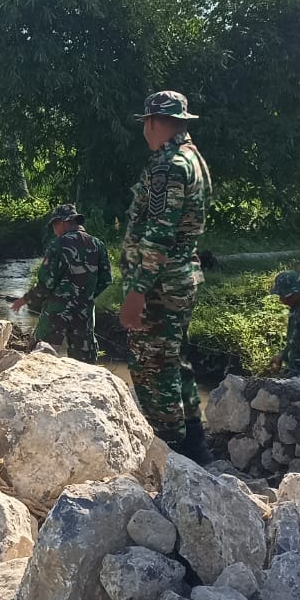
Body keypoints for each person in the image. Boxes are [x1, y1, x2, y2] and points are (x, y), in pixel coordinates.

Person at [119, 90, 212, 459]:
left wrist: (136, 292)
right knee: (174, 361)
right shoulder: (194, 158)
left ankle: (167, 453)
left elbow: (159, 233)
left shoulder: (169, 165)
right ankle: (195, 445)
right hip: (180, 278)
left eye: (146, 123)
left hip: (160, 284)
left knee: (152, 368)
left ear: (154, 122)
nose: (145, 130)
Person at [12, 202, 112, 362]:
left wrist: (25, 299)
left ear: (63, 222)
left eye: (54, 225)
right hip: (84, 313)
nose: (54, 229)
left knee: (39, 356)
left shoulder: (58, 244)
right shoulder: (98, 244)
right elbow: (106, 279)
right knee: (84, 364)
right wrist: (86, 295)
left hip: (56, 312)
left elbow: (46, 284)